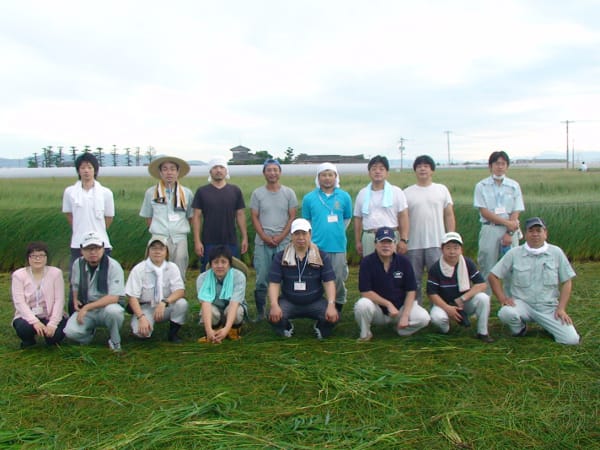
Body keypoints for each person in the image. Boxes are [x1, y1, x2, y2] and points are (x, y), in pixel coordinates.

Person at [488, 217, 580, 345]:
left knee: (571, 340)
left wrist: (561, 308)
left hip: (548, 307)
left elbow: (567, 281)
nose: (535, 234)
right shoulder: (514, 253)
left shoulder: (556, 252)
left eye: (538, 230)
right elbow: (493, 276)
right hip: (522, 304)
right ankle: (519, 328)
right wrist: (503, 299)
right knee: (505, 313)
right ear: (525, 234)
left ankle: (550, 326)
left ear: (545, 233)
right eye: (531, 231)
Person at [354, 227, 430, 341]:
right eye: (382, 242)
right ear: (375, 244)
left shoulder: (404, 262)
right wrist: (388, 304)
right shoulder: (366, 262)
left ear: (395, 244)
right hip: (378, 311)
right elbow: (365, 292)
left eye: (389, 242)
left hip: (400, 309)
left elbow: (411, 290)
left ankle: (401, 329)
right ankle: (365, 334)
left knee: (424, 318)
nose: (386, 246)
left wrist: (405, 315)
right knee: (362, 305)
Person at [268, 218, 339, 339]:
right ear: (291, 236)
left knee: (334, 317)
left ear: (310, 234)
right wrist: (274, 304)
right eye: (297, 234)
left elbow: (329, 282)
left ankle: (320, 326)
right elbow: (274, 283)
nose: (301, 237)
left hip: (315, 301)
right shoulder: (280, 257)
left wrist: (331, 305)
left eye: (304, 233)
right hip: (289, 301)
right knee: (272, 316)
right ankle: (287, 326)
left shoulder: (322, 256)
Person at [62, 152, 115, 313]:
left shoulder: (106, 192)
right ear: (78, 170)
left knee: (102, 279)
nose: (86, 171)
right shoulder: (70, 192)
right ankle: (74, 313)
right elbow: (69, 214)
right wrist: (81, 230)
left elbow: (109, 217)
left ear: (95, 170)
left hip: (101, 243)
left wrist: (97, 232)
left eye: (89, 167)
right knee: (77, 280)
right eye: (83, 167)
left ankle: (101, 313)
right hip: (78, 243)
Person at [250, 158, 298, 320]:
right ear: (264, 173)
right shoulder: (257, 193)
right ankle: (261, 312)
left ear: (280, 172)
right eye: (269, 170)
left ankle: (283, 309)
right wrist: (264, 236)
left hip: (284, 243)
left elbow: (292, 217)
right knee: (262, 277)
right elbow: (254, 217)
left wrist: (282, 236)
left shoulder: (288, 193)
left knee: (285, 277)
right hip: (262, 243)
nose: (272, 173)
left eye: (275, 170)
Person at [404, 155, 455, 304]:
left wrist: (450, 238)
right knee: (414, 281)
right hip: (413, 244)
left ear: (432, 170)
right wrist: (404, 239)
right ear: (415, 170)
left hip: (437, 243)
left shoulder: (441, 190)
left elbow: (449, 214)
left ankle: (440, 309)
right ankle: (415, 310)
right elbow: (403, 218)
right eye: (419, 166)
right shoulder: (407, 192)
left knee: (439, 279)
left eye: (426, 166)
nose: (422, 168)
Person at [302, 163, 352, 312]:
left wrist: (336, 231)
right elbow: (307, 222)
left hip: (337, 245)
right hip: (316, 246)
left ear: (336, 177)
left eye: (330, 174)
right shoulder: (309, 198)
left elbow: (347, 218)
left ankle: (338, 304)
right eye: (324, 174)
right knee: (315, 278)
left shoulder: (344, 196)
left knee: (337, 278)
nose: (327, 178)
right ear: (318, 177)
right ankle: (318, 306)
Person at [426, 232, 494, 343]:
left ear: (461, 249)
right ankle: (446, 331)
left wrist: (463, 298)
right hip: (444, 303)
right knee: (438, 318)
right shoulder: (435, 268)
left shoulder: (467, 263)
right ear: (442, 249)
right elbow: (432, 293)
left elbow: (482, 284)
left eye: (456, 248)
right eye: (448, 248)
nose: (452, 252)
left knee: (483, 298)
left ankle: (483, 332)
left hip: (464, 303)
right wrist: (448, 308)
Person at [64, 231, 125, 352]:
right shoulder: (78, 264)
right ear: (81, 250)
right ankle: (88, 335)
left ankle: (115, 341)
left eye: (97, 248)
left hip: (107, 306)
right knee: (70, 332)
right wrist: (76, 300)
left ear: (103, 248)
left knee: (114, 312)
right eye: (88, 248)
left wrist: (86, 308)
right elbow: (75, 284)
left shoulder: (113, 266)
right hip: (87, 306)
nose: (93, 252)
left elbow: (114, 297)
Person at [473, 151, 524, 289]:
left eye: (503, 164)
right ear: (490, 166)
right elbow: (484, 211)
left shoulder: (514, 186)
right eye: (496, 163)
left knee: (512, 266)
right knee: (486, 265)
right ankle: (485, 301)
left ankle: (512, 300)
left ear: (507, 166)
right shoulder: (481, 186)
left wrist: (509, 231)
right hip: (490, 228)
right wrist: (507, 223)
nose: (500, 167)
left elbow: (516, 209)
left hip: (510, 231)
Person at [125, 235, 188, 343]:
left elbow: (180, 291)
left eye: (161, 248)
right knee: (141, 333)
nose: (157, 251)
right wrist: (141, 317)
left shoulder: (172, 267)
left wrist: (164, 302)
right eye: (153, 248)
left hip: (165, 306)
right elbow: (132, 297)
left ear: (166, 252)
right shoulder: (139, 269)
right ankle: (141, 324)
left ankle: (173, 334)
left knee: (182, 304)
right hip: (146, 307)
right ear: (148, 251)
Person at [139, 155, 194, 278]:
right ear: (160, 172)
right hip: (159, 236)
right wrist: (158, 230)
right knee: (157, 268)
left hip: (179, 237)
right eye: (165, 169)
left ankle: (178, 293)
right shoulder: (150, 193)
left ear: (178, 172)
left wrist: (179, 228)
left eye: (173, 169)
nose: (169, 172)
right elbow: (148, 216)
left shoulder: (187, 193)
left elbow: (190, 216)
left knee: (180, 265)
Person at [192, 157, 248, 271]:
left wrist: (244, 237)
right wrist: (197, 241)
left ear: (226, 170)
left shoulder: (235, 190)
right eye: (215, 167)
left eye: (221, 167)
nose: (218, 170)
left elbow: (240, 214)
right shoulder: (202, 191)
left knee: (230, 271)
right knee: (208, 271)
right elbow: (197, 216)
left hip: (230, 240)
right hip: (208, 241)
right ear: (210, 171)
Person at [11, 242, 68, 348]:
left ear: (46, 258)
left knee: (54, 337)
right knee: (24, 328)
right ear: (28, 258)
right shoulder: (19, 275)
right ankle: (28, 341)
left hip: (49, 314)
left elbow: (59, 300)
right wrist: (35, 322)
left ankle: (52, 339)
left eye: (41, 255)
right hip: (28, 315)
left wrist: (52, 324)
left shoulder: (56, 273)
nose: (37, 259)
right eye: (33, 256)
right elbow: (19, 302)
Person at [354, 155, 409, 257]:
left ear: (387, 173)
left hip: (391, 236)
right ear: (369, 173)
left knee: (392, 269)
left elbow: (403, 216)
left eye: (381, 169)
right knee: (370, 268)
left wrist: (403, 239)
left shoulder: (396, 192)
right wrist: (358, 241)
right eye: (374, 169)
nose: (377, 171)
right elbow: (358, 218)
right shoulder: (362, 193)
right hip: (369, 237)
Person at [196, 245, 247, 344]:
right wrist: (208, 330)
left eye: (223, 262)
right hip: (215, 308)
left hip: (231, 308)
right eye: (216, 262)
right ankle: (214, 332)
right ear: (211, 264)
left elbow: (234, 304)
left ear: (229, 264)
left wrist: (226, 329)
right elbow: (205, 304)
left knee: (237, 311)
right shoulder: (202, 278)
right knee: (209, 311)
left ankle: (232, 331)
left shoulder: (239, 277)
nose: (220, 266)